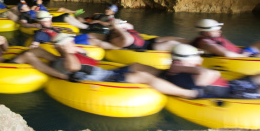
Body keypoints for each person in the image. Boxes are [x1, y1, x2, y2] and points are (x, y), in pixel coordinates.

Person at [50, 35, 203, 98]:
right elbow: (73, 67)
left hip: (107, 72)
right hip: (107, 79)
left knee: (136, 65)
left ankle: (167, 75)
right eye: (68, 43)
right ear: (63, 47)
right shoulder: (66, 61)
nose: (72, 43)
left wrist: (73, 49)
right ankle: (183, 91)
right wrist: (67, 52)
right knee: (140, 76)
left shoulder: (71, 53)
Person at [155, 44, 260, 104]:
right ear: (183, 62)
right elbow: (209, 74)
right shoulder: (181, 74)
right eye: (194, 59)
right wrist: (185, 68)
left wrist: (185, 67)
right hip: (234, 94)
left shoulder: (177, 69)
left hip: (232, 85)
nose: (198, 61)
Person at [0, 18, 69, 80]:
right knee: (28, 56)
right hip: (0, 68)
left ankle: (59, 60)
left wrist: (3, 42)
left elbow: (5, 50)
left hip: (6, 61)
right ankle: (61, 75)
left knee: (38, 50)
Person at [30, 10, 120, 50]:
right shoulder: (40, 34)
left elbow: (54, 30)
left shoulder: (50, 27)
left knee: (92, 34)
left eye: (49, 19)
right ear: (41, 22)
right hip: (66, 43)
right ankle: (118, 47)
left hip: (70, 38)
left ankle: (112, 39)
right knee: (92, 40)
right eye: (46, 20)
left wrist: (64, 28)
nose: (49, 20)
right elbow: (34, 45)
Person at [107, 19, 186, 51]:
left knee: (173, 38)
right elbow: (126, 40)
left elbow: (130, 26)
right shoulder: (117, 38)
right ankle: (192, 51)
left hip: (147, 41)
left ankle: (191, 43)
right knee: (171, 43)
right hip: (147, 47)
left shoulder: (125, 30)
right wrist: (117, 28)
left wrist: (118, 24)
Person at [18, 1, 93, 34]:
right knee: (64, 17)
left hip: (46, 18)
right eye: (25, 6)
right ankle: (86, 28)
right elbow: (24, 24)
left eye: (26, 5)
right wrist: (35, 25)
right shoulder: (23, 15)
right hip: (43, 21)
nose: (27, 6)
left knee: (66, 14)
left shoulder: (31, 11)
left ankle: (85, 26)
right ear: (21, 10)